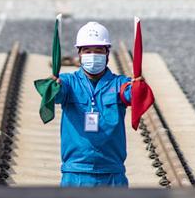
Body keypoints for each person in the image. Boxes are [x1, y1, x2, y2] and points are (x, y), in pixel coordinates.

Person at [51, 20, 142, 188]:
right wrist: (53, 86)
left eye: (99, 50)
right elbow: (55, 94)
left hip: (112, 174)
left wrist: (138, 88)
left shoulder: (119, 83)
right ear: (79, 53)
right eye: (87, 50)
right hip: (75, 173)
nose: (93, 55)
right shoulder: (68, 82)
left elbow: (131, 95)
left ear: (107, 53)